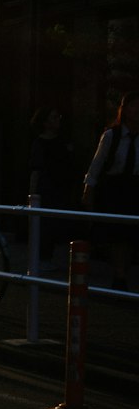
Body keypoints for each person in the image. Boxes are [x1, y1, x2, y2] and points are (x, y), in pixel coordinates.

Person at [81, 91, 139, 290]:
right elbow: (97, 164)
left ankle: (122, 271)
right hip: (114, 188)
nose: (137, 110)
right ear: (124, 109)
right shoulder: (111, 135)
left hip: (133, 187)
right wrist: (89, 188)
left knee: (130, 233)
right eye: (133, 106)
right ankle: (119, 274)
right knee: (115, 233)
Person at [27, 106, 75, 264]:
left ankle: (49, 255)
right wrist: (32, 193)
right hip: (46, 188)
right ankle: (43, 256)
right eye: (54, 117)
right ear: (45, 122)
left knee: (57, 222)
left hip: (61, 187)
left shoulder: (63, 141)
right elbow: (36, 169)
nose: (58, 120)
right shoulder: (39, 143)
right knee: (46, 224)